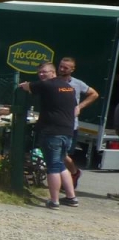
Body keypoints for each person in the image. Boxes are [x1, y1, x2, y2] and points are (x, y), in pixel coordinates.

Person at [18, 62, 79, 209]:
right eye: (39, 72)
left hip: (52, 132)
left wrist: (24, 85)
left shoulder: (47, 85)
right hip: (67, 132)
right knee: (60, 164)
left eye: (44, 72)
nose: (41, 75)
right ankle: (71, 197)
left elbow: (25, 86)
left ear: (53, 73)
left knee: (52, 166)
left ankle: (54, 200)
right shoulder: (69, 88)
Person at [57, 56, 99, 188]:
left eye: (66, 67)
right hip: (54, 123)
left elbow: (94, 94)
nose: (62, 69)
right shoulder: (53, 81)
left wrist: (79, 107)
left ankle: (74, 173)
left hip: (70, 125)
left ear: (72, 70)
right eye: (61, 66)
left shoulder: (77, 83)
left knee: (63, 154)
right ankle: (62, 179)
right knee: (54, 153)